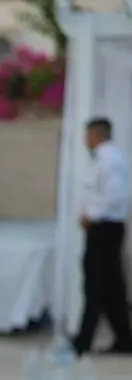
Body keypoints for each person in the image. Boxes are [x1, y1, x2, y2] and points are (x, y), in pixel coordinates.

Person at [73, 117, 132, 355]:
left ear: (96, 135)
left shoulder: (110, 160)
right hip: (102, 226)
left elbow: (115, 196)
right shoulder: (100, 159)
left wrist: (92, 215)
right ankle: (124, 338)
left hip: (105, 227)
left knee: (94, 283)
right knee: (111, 285)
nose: (85, 140)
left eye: (87, 135)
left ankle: (82, 341)